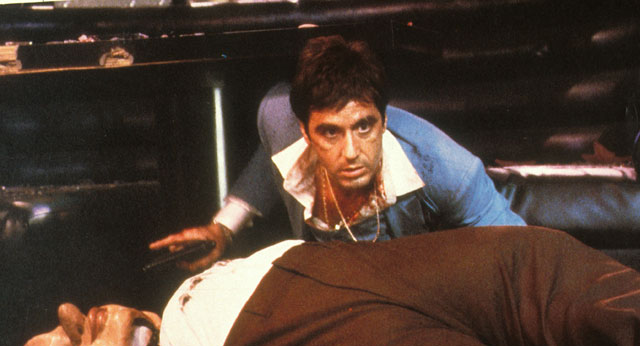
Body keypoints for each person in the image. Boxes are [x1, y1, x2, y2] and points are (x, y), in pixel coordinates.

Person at [4, 226, 640, 346]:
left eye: (63, 325)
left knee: (541, 267)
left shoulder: (178, 292)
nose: (74, 322)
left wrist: (226, 224)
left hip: (336, 263)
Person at [149, 35, 525, 271]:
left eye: (364, 127)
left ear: (383, 120)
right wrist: (223, 228)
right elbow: (270, 159)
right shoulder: (278, 119)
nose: (351, 153)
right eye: (330, 132)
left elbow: (521, 255)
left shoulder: (449, 170)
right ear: (305, 131)